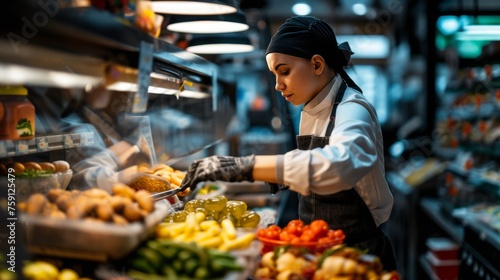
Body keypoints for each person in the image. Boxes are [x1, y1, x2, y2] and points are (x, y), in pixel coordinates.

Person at [179, 15, 397, 270]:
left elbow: (338, 165)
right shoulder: (312, 107)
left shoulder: (353, 109)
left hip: (356, 257)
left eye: (284, 71)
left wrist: (245, 166)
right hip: (316, 248)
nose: (278, 85)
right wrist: (278, 176)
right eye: (274, 74)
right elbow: (315, 166)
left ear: (317, 64)